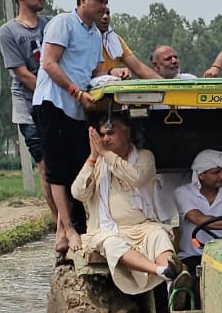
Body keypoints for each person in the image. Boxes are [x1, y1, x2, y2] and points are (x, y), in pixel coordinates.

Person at [32, 0, 109, 254]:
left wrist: (115, 75)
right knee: (57, 170)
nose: (103, 8)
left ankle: (71, 227)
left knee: (79, 166)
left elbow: (96, 72)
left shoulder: (95, 34)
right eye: (99, 1)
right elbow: (49, 63)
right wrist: (76, 92)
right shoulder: (63, 23)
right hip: (54, 102)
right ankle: (66, 227)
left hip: (77, 107)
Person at [71, 113, 180, 293]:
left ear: (127, 133)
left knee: (159, 235)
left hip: (142, 226)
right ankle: (163, 271)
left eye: (110, 134)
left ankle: (173, 287)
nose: (105, 139)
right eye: (102, 135)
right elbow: (78, 193)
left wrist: (106, 154)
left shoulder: (144, 157)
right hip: (108, 230)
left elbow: (136, 178)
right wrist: (93, 157)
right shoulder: (97, 162)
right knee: (112, 244)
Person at [0, 0, 58, 218]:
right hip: (30, 107)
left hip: (56, 103)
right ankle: (60, 224)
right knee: (46, 168)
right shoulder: (9, 31)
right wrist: (55, 94)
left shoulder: (52, 24)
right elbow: (22, 74)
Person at [173, 149, 222, 275]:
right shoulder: (183, 193)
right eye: (216, 172)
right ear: (201, 175)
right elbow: (198, 219)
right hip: (192, 257)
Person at [92, 6, 162, 81]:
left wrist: (167, 86)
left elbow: (139, 68)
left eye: (107, 13)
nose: (105, 16)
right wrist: (110, 73)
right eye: (100, 13)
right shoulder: (84, 38)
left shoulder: (115, 40)